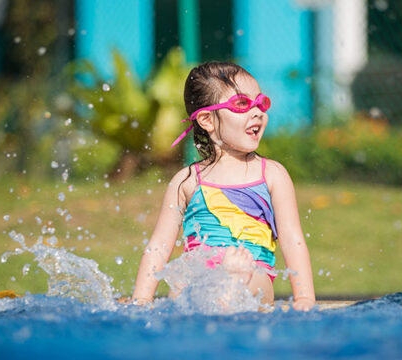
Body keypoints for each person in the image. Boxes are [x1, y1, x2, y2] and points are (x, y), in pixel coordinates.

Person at [131, 61, 315, 311]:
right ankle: (224, 286)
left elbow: (293, 240)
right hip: (199, 277)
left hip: (253, 274)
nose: (258, 112)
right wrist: (142, 300)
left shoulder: (271, 175)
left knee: (249, 281)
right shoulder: (187, 181)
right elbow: (159, 247)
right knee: (184, 285)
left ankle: (233, 281)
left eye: (261, 103)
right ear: (207, 119)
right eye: (242, 104)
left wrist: (304, 298)